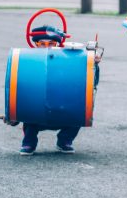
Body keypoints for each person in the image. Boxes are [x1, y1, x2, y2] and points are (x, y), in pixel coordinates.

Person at [18, 25, 101, 156]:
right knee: (29, 114)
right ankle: (29, 142)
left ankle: (64, 140)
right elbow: (20, 90)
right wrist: (15, 115)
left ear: (58, 43)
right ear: (35, 44)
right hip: (37, 112)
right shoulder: (29, 62)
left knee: (79, 112)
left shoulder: (68, 61)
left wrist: (93, 65)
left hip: (63, 110)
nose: (47, 47)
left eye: (51, 43)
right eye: (42, 44)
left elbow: (87, 83)